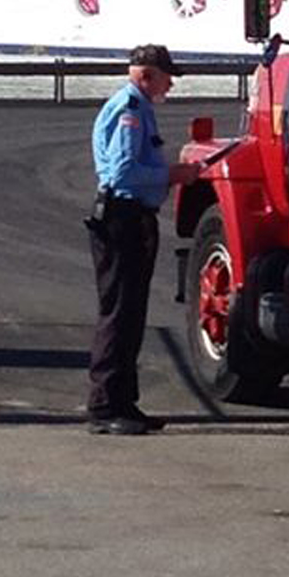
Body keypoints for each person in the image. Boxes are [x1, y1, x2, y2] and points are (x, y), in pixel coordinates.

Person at [84, 42, 198, 435]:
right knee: (119, 313)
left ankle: (122, 403)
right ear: (147, 75)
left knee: (129, 313)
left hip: (128, 217)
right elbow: (122, 174)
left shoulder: (136, 107)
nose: (171, 86)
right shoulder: (131, 111)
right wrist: (172, 175)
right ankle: (105, 405)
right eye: (167, 78)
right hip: (123, 217)